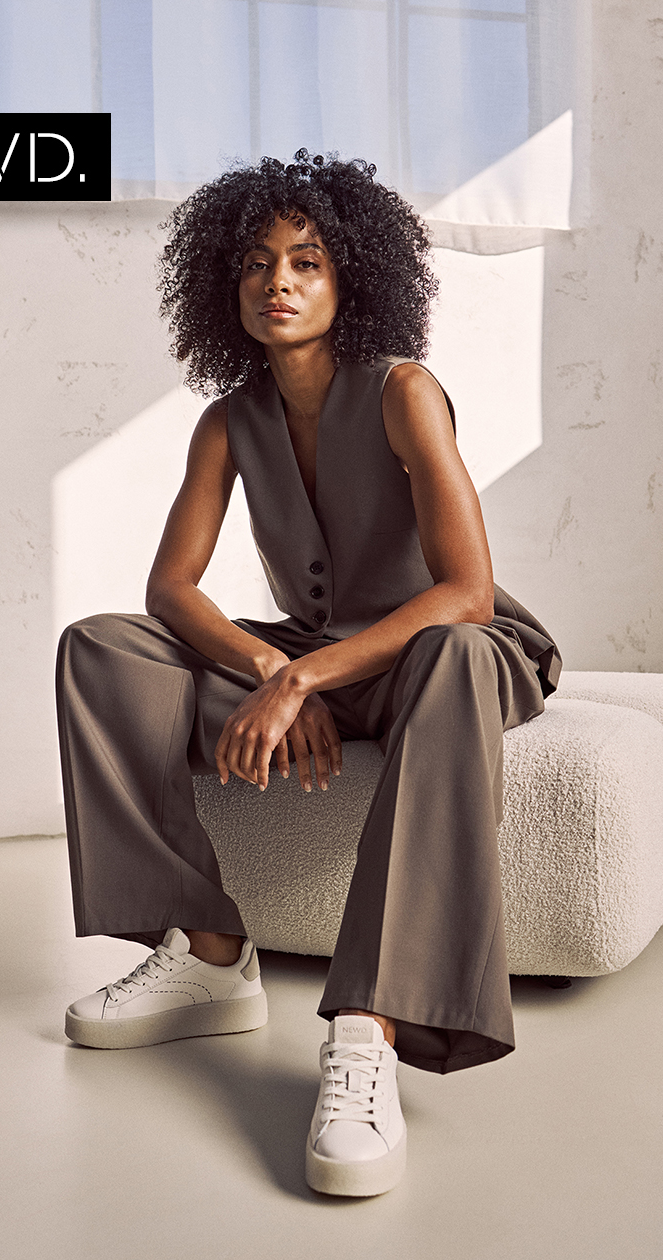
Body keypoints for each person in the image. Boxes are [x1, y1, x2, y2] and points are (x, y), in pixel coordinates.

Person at [56, 150, 560, 1198]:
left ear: (354, 280)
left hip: (436, 650)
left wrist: (304, 681)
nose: (277, 281)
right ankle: (204, 949)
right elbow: (172, 591)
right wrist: (267, 666)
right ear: (222, 284)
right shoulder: (227, 420)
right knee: (100, 647)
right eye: (254, 262)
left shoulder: (404, 392)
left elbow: (465, 591)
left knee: (456, 653)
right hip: (313, 656)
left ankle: (367, 1029)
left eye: (307, 262)